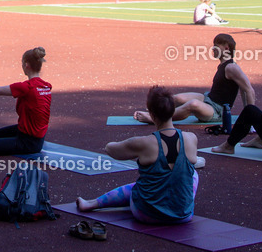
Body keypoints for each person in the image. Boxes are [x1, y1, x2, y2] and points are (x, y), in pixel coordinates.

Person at [76, 86, 200, 224]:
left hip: (146, 213)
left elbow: (110, 149)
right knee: (193, 174)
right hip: (183, 215)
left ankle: (92, 203)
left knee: (139, 186)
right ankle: (177, 205)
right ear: (173, 111)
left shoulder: (143, 143)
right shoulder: (191, 138)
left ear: (151, 114)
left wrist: (132, 148)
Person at [134, 33, 255, 126]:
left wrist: (249, 116)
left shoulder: (231, 67)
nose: (212, 49)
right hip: (209, 98)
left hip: (217, 111)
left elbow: (248, 90)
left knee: (192, 104)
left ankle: (156, 119)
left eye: (216, 46)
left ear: (226, 48)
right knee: (177, 98)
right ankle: (155, 111)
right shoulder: (224, 65)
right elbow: (242, 90)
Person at [0, 47, 51, 157]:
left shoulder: (27, 87)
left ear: (26, 65)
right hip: (29, 133)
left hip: (28, 142)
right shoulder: (46, 86)